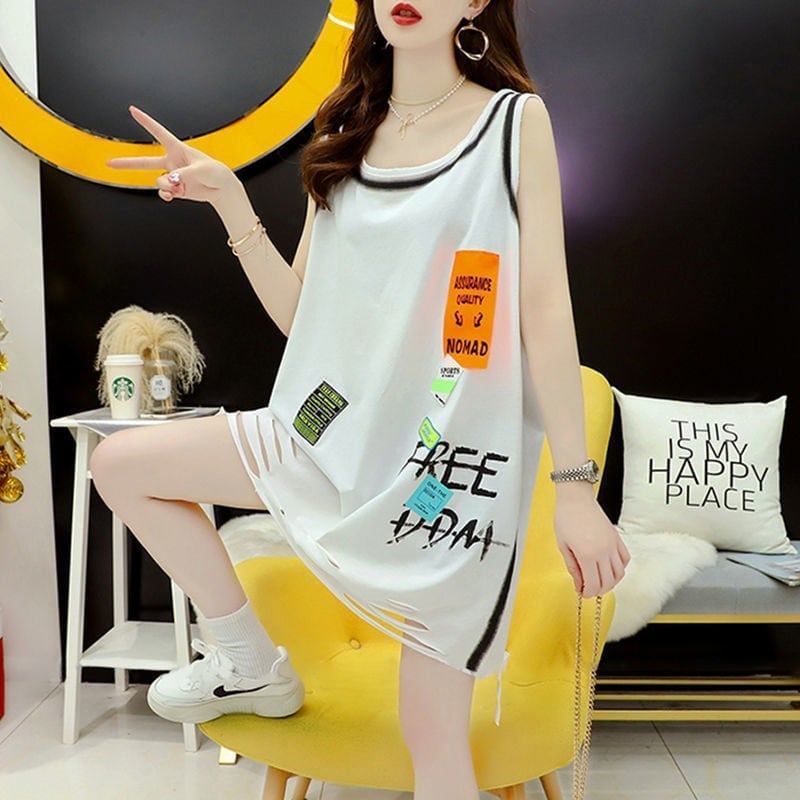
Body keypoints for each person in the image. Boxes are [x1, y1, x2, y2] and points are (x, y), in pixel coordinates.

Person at [91, 1, 630, 798]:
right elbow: (299, 315)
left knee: (433, 741)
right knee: (120, 465)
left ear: (476, 3)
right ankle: (248, 662)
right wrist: (232, 201)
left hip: (442, 471)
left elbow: (544, 307)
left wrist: (575, 489)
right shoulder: (345, 126)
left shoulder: (514, 123)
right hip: (325, 432)